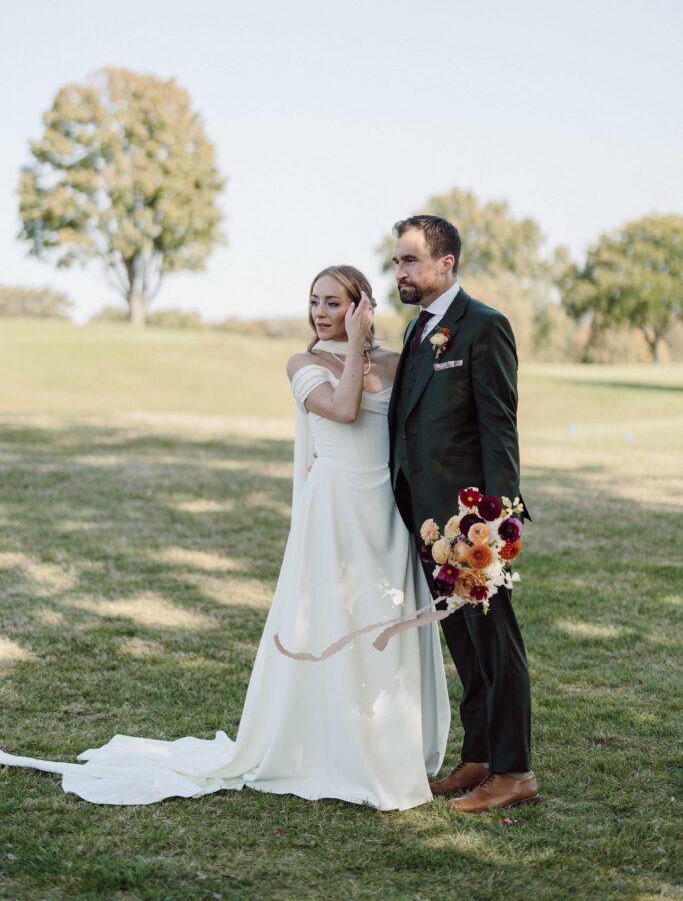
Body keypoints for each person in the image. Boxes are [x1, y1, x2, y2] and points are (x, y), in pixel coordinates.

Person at [1, 264, 449, 810]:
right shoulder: (302, 363)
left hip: (387, 505)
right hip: (334, 506)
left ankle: (385, 740)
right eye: (315, 302)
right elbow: (343, 408)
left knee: (383, 615)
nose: (321, 313)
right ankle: (336, 747)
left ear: (361, 305)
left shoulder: (396, 363)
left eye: (334, 303)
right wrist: (354, 346)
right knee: (336, 616)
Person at [388, 216, 540, 812]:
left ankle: (515, 771)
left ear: (445, 262)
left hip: (471, 525)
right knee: (464, 643)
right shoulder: (416, 329)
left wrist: (496, 522)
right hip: (427, 520)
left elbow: (500, 428)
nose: (399, 271)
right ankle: (478, 756)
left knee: (497, 642)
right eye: (397, 261)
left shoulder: (484, 326)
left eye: (409, 261)